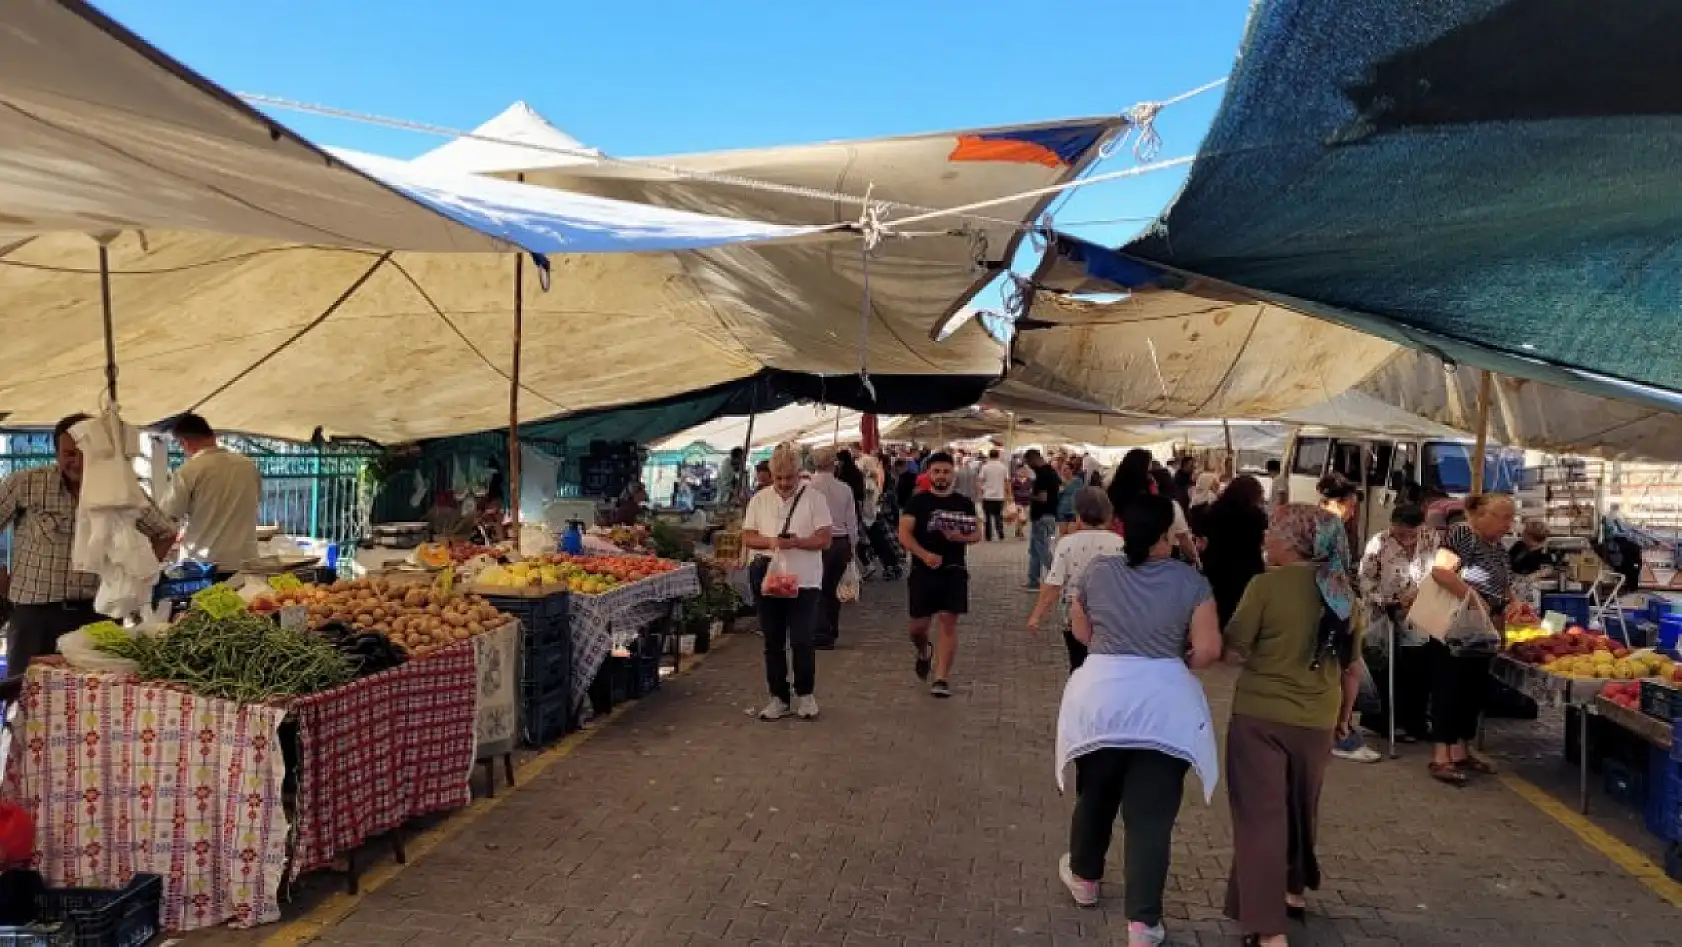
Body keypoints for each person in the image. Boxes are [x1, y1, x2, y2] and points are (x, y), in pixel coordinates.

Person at [1053, 492, 1221, 944]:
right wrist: (1173, 655)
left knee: (1096, 794)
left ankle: (1085, 879)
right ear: (1167, 534)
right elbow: (1208, 650)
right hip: (1165, 704)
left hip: (1102, 697)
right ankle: (1143, 923)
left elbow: (1082, 632)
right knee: (1150, 818)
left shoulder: (1097, 573)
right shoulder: (1192, 582)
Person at [1222, 505, 1353, 947]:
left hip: (1261, 715)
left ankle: (1267, 928)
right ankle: (1293, 890)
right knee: (1301, 806)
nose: (1266, 540)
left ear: (1294, 542)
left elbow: (1234, 649)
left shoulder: (1265, 586)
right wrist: (1343, 718)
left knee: (1261, 818)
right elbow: (1351, 669)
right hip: (1317, 717)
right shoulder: (1344, 592)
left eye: (1272, 533)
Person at [0, 414, 177, 683]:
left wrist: (135, 579)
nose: (78, 461)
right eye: (69, 453)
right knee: (25, 697)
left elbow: (164, 532)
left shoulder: (122, 490)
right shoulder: (27, 484)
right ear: (56, 453)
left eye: (85, 452)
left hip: (98, 615)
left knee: (95, 699)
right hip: (35, 617)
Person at [1425, 492, 1516, 785]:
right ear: (1479, 514)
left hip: (1482, 633)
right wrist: (1474, 598)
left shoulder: (1497, 546)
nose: (1509, 524)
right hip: (1457, 629)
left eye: (1511, 517)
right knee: (1449, 689)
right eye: (1503, 517)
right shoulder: (1463, 534)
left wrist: (1511, 602)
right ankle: (1441, 757)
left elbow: (1502, 585)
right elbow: (1441, 571)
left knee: (1472, 692)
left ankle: (1461, 751)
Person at [741, 444, 833, 721]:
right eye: (778, 478)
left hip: (805, 581)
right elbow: (747, 536)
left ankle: (806, 695)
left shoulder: (815, 498)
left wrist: (796, 543)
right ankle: (778, 697)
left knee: (803, 639)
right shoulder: (759, 499)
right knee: (773, 641)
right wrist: (771, 542)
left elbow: (825, 538)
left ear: (798, 473)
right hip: (768, 579)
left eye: (789, 478)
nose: (783, 484)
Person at [900, 452, 980, 698]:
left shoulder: (964, 503)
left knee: (948, 621)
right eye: (937, 472)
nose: (941, 476)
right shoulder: (918, 502)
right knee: (918, 627)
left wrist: (960, 538)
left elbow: (977, 533)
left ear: (953, 474)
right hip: (922, 570)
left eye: (946, 471)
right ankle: (924, 651)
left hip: (954, 569)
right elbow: (904, 534)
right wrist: (924, 555)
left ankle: (942, 677)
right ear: (929, 474)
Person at [1315, 474, 1382, 764]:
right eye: (1352, 505)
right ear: (1343, 502)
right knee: (1349, 669)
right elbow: (1327, 562)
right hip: (1335, 602)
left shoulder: (1316, 521)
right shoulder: (1330, 524)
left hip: (1329, 600)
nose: (1354, 511)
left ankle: (1338, 728)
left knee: (1343, 669)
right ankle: (1340, 730)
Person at [1358, 504, 1434, 743]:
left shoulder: (1431, 538)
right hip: (1384, 612)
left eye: (1412, 534)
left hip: (1418, 611)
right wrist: (1385, 602)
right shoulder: (1378, 543)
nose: (1407, 540)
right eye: (1401, 534)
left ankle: (1414, 721)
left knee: (1418, 665)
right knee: (1386, 666)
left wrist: (1419, 597)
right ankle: (1384, 722)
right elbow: (1366, 580)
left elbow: (1435, 572)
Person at [1028, 488, 1125, 670]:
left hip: (1074, 616)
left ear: (1078, 515)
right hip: (1111, 615)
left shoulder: (1067, 543)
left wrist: (1037, 615)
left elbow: (1053, 584)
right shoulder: (1119, 543)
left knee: (1078, 663)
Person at [157, 413, 261, 580]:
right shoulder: (248, 466)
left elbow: (166, 520)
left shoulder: (189, 471)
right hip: (245, 563)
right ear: (212, 436)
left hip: (205, 566)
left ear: (184, 443)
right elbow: (243, 505)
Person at [1198, 474, 1270, 626]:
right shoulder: (1256, 515)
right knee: (1242, 609)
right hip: (1246, 568)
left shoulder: (1213, 511)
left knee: (1218, 608)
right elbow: (1261, 542)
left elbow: (1205, 537)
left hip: (1216, 565)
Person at [808, 448, 858, 650]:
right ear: (834, 464)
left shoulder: (807, 487)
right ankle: (831, 629)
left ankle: (822, 633)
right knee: (832, 589)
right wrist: (852, 546)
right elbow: (851, 523)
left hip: (815, 542)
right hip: (839, 543)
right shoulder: (844, 489)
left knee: (816, 588)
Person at [1025, 449, 1063, 590]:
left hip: (1042, 516)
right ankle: (1033, 581)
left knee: (1042, 550)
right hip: (1049, 515)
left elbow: (1042, 498)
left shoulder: (1042, 475)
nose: (1028, 466)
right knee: (1035, 550)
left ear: (1033, 459)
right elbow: (1060, 487)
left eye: (1028, 463)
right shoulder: (1052, 472)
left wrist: (1029, 495)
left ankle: (1058, 575)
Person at [978, 449, 1009, 542]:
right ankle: (1000, 534)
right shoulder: (1003, 467)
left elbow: (980, 480)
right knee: (998, 516)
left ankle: (988, 536)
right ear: (998, 455)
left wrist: (980, 492)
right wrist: (1008, 494)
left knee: (987, 517)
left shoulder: (985, 467)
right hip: (999, 495)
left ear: (989, 455)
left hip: (987, 495)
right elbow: (1006, 481)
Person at [1055, 458, 1087, 538]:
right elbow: (1055, 498)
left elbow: (1081, 495)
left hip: (1074, 511)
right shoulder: (1059, 482)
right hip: (1062, 511)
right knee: (1062, 535)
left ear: (1071, 470)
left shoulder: (1078, 481)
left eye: (1066, 469)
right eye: (1062, 470)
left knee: (1071, 536)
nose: (1064, 472)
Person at [1011, 461, 1034, 539]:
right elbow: (1011, 490)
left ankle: (1018, 529)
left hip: (1027, 501)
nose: (1023, 472)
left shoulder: (1029, 480)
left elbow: (1032, 490)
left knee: (1025, 518)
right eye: (1020, 470)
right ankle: (1021, 532)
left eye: (1024, 470)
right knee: (1021, 517)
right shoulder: (1014, 480)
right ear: (1017, 471)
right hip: (1018, 501)